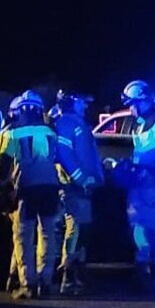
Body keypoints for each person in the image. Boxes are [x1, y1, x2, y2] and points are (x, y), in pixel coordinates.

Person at [0, 90, 62, 299]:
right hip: (50, 188)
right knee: (47, 235)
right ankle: (45, 280)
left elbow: (3, 165)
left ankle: (27, 284)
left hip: (26, 190)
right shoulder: (50, 132)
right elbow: (56, 157)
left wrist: (2, 190)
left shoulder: (12, 133)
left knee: (23, 237)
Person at [118, 80, 155, 291]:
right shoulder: (141, 124)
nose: (130, 108)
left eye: (133, 103)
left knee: (154, 227)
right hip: (138, 182)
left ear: (144, 101)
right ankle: (142, 267)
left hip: (151, 184)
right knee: (137, 225)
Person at [53, 90, 103, 294]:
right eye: (82, 101)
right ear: (70, 102)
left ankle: (77, 275)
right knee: (75, 230)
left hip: (84, 187)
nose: (85, 106)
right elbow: (64, 154)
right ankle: (69, 276)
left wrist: (98, 176)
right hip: (74, 187)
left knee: (82, 231)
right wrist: (81, 178)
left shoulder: (76, 123)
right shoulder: (65, 123)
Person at [0, 96, 24, 292]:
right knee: (20, 236)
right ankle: (17, 278)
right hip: (5, 189)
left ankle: (14, 276)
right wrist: (7, 191)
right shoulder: (11, 134)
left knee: (18, 235)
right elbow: (6, 165)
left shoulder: (4, 133)